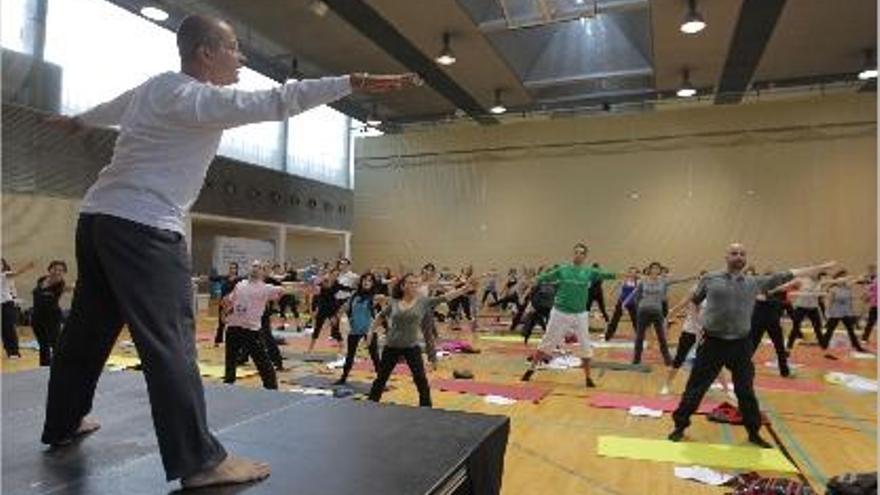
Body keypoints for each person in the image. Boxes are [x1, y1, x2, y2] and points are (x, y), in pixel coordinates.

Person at [41, 13, 421, 488]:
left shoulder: (157, 86)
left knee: (87, 330)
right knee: (172, 345)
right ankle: (199, 462)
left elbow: (117, 106)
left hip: (97, 218)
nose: (240, 56)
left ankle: (63, 421)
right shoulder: (200, 99)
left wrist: (80, 119)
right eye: (234, 47)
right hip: (144, 229)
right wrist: (353, 81)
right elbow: (280, 101)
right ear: (206, 53)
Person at [668, 243, 835, 448]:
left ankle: (754, 432)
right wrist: (696, 325)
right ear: (726, 256)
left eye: (742, 254)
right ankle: (679, 426)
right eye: (734, 253)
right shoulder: (710, 279)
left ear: (745, 258)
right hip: (712, 343)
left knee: (745, 391)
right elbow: (694, 301)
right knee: (695, 388)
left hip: (740, 344)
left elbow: (788, 273)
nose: (738, 256)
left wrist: (819, 267)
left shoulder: (754, 283)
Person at [367, 273, 474, 407]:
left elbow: (444, 298)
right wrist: (371, 331)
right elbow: (380, 317)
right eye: (410, 283)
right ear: (403, 286)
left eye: (416, 283)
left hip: (411, 347)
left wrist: (463, 290)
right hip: (391, 346)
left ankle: (426, 408)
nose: (414, 286)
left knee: (421, 380)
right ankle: (369, 405)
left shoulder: (423, 302)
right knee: (381, 379)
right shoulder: (394, 302)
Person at [521, 243, 618, 388]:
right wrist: (534, 280)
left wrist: (629, 274)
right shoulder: (563, 270)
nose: (578, 255)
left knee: (585, 345)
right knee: (548, 341)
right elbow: (544, 277)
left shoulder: (589, 272)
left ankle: (588, 378)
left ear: (585, 256)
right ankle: (531, 369)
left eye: (581, 253)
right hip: (560, 312)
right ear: (573, 254)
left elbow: (608, 275)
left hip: (580, 315)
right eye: (576, 252)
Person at [222, 261, 284, 389]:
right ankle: (228, 385)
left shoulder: (266, 288)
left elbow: (288, 289)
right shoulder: (240, 284)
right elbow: (230, 301)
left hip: (251, 330)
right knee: (230, 360)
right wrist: (224, 312)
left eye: (259, 267)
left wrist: (309, 288)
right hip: (233, 327)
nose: (255, 269)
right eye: (254, 266)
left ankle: (272, 388)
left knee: (262, 361)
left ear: (263, 272)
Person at [623, 262, 696, 366]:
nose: (655, 270)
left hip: (657, 312)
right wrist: (625, 303)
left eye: (657, 269)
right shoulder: (643, 281)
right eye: (653, 268)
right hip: (643, 311)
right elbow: (635, 293)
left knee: (661, 336)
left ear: (659, 270)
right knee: (639, 336)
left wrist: (692, 277)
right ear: (650, 269)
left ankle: (667, 359)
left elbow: (678, 280)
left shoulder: (663, 281)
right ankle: (636, 359)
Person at [335, 273, 382, 385]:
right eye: (365, 280)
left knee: (374, 356)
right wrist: (336, 316)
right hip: (355, 329)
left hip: (369, 331)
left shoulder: (375, 297)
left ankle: (381, 381)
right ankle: (343, 378)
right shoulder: (354, 296)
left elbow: (388, 302)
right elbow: (344, 307)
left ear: (372, 284)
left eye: (370, 281)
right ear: (361, 282)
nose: (366, 282)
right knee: (350, 355)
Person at [749, 272, 792, 377]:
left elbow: (784, 303)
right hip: (759, 321)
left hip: (772, 321)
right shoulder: (759, 291)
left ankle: (784, 371)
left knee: (779, 347)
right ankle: (742, 367)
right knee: (752, 346)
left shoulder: (780, 292)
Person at [31, 261, 73, 366]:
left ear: (64, 273)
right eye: (55, 269)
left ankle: (61, 365)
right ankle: (44, 367)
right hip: (37, 317)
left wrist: (74, 286)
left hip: (52, 317)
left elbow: (66, 288)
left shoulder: (60, 284)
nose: (57, 272)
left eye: (61, 270)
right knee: (43, 344)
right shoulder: (41, 280)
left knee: (55, 343)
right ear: (49, 269)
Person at [823, 270, 869, 353]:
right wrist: (827, 312)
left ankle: (857, 347)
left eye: (845, 277)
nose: (845, 279)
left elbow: (856, 281)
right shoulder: (833, 289)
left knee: (851, 330)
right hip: (835, 313)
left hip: (846, 313)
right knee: (830, 330)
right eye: (843, 277)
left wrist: (862, 278)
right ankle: (824, 345)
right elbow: (828, 301)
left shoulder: (847, 287)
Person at [1, 258, 35, 359]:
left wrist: (26, 267)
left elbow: (16, 273)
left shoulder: (4, 275)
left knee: (8, 328)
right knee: (3, 329)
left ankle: (14, 352)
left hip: (6, 304)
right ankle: (8, 350)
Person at [603, 267, 640, 341]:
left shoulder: (638, 282)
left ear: (636, 274)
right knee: (615, 319)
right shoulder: (624, 280)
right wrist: (610, 293)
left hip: (632, 302)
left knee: (635, 319)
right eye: (630, 272)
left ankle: (639, 336)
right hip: (621, 301)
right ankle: (608, 336)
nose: (632, 274)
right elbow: (615, 285)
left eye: (634, 272)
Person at [211, 262, 242, 345]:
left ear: (236, 270)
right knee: (221, 323)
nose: (232, 270)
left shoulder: (239, 279)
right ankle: (218, 340)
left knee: (234, 323)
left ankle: (235, 341)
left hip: (233, 304)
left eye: (234, 268)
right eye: (230, 268)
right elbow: (214, 278)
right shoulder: (224, 278)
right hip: (223, 303)